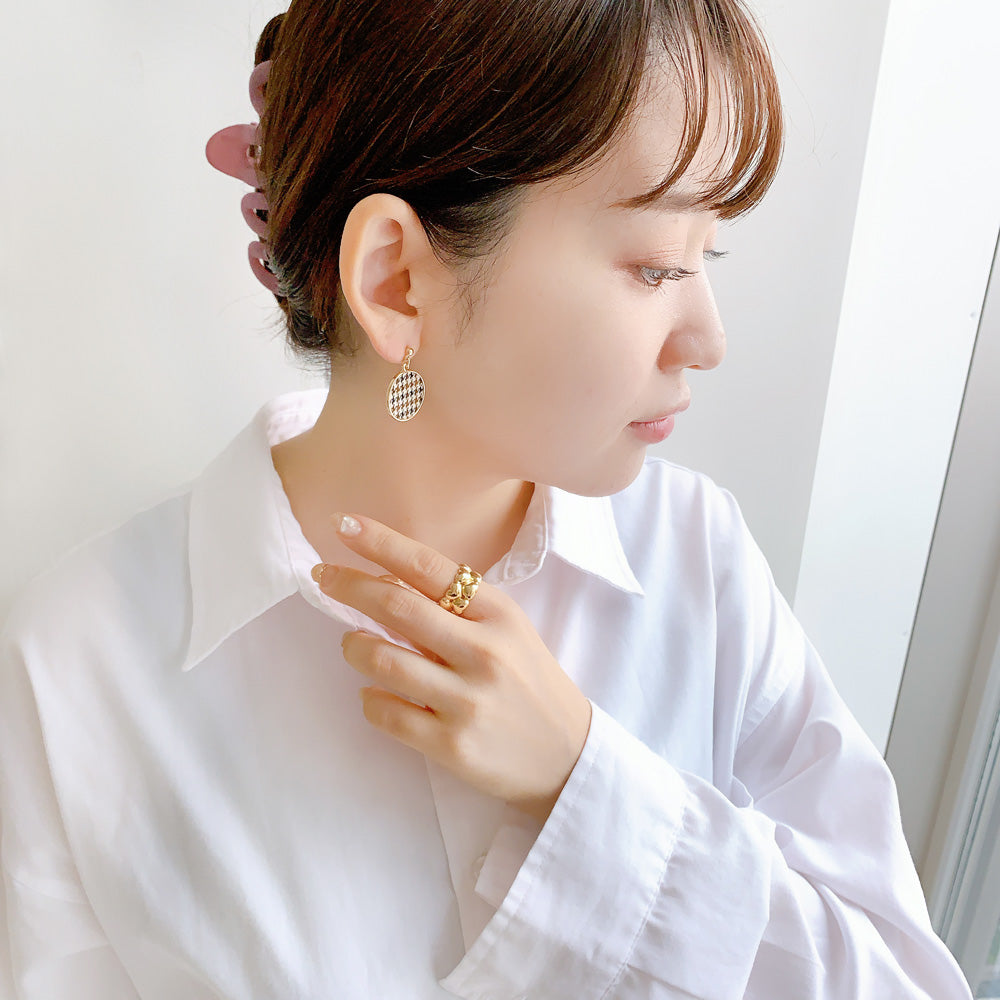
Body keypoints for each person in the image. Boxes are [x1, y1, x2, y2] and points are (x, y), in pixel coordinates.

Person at [0, 1, 976, 998]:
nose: (707, 338)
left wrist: (587, 786)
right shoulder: (79, 666)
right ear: (396, 281)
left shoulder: (698, 559)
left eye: (706, 258)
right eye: (656, 267)